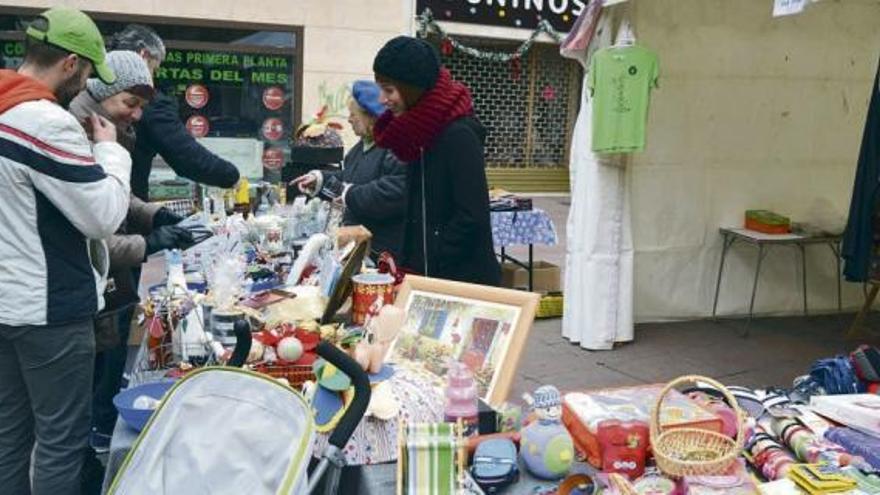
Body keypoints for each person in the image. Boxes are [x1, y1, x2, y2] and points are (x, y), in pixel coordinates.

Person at [0, 7, 131, 495]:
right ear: (71, 64)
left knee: (10, 438)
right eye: (90, 71)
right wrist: (111, 151)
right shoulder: (42, 121)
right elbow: (102, 215)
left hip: (6, 304)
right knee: (59, 442)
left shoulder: (4, 104)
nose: (88, 84)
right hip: (50, 310)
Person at [68, 51, 195, 466]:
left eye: (142, 106)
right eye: (131, 103)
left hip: (105, 288)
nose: (137, 115)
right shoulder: (79, 132)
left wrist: (153, 213)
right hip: (82, 290)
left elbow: (120, 199)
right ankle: (91, 450)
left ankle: (96, 435)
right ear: (105, 92)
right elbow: (96, 233)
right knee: (77, 405)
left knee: (103, 372)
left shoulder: (104, 125)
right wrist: (151, 242)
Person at [372, 36, 501, 286]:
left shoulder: (458, 135)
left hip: (461, 282)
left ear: (413, 88)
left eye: (389, 90)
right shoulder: (418, 133)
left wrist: (434, 257)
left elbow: (472, 216)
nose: (382, 100)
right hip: (428, 276)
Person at [106, 24, 240, 200]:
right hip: (121, 204)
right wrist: (230, 175)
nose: (136, 113)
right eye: (154, 69)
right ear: (143, 56)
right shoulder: (148, 102)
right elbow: (186, 156)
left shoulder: (90, 90)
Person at [292, 80, 407, 258]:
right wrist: (320, 180)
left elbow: (389, 193)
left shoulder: (395, 147)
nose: (349, 119)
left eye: (354, 114)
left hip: (381, 254)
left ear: (371, 117)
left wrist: (345, 191)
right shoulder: (358, 150)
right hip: (356, 249)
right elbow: (348, 179)